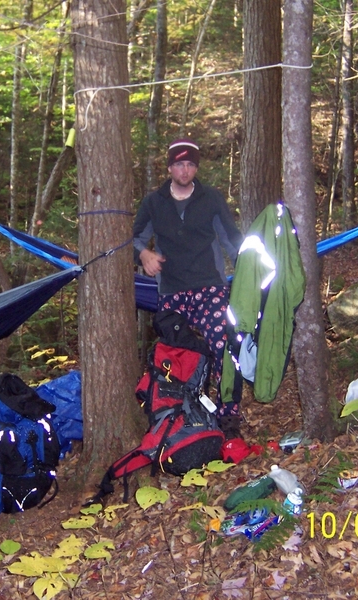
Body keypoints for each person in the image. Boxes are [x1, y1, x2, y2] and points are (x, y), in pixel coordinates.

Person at [133, 139, 244, 438]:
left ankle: (228, 416)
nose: (185, 169)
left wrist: (250, 272)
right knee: (174, 354)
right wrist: (143, 254)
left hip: (210, 288)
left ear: (196, 168)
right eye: (180, 164)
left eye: (191, 164)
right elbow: (133, 239)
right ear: (169, 168)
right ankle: (180, 413)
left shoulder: (211, 198)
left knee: (225, 346)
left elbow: (232, 239)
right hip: (171, 291)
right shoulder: (154, 202)